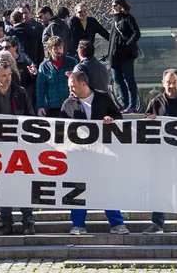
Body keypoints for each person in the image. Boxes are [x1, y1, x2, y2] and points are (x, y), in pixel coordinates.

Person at [61, 71, 129, 236]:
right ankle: (78, 225)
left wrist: (110, 120)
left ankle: (117, 223)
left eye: (73, 86)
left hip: (103, 153)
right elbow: (61, 128)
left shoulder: (103, 97)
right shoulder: (68, 104)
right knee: (77, 189)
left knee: (106, 186)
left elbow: (118, 117)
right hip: (79, 155)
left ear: (83, 84)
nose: (70, 89)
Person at [0, 62, 37, 235]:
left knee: (24, 185)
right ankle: (6, 223)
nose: (8, 78)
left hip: (19, 147)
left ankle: (28, 222)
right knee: (2, 187)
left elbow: (30, 117)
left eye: (9, 74)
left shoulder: (20, 92)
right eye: (4, 75)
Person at [141, 69, 177, 235]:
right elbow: (145, 125)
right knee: (159, 188)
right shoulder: (155, 102)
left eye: (174, 82)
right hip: (162, 155)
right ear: (163, 83)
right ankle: (157, 223)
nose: (171, 85)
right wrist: (148, 119)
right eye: (168, 82)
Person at [108, 0, 141, 113]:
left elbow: (136, 33)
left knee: (129, 79)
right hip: (114, 55)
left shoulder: (128, 18)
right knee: (117, 79)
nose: (113, 7)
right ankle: (124, 103)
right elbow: (112, 37)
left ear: (120, 6)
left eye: (115, 5)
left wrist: (127, 45)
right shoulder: (114, 19)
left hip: (126, 56)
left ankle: (132, 105)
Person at [36, 37, 77, 118]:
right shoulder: (44, 66)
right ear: (49, 50)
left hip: (70, 105)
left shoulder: (72, 62)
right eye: (55, 49)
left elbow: (81, 82)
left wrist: (74, 76)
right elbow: (40, 88)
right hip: (52, 107)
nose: (59, 51)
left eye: (60, 48)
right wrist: (40, 106)